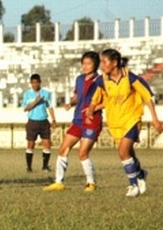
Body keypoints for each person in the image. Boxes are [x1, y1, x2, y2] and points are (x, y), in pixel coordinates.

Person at [86, 48, 163, 197]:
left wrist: (155, 119)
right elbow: (95, 99)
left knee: (122, 152)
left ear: (114, 63)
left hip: (132, 119)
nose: (101, 65)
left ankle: (133, 185)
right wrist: (90, 110)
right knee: (128, 153)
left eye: (104, 62)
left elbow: (147, 97)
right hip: (115, 122)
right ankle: (140, 173)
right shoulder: (102, 80)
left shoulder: (130, 78)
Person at [44, 51, 102, 192]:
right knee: (63, 148)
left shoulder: (100, 80)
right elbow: (77, 96)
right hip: (77, 120)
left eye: (88, 63)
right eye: (83, 63)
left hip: (92, 121)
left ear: (95, 65)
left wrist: (93, 109)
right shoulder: (79, 79)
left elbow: (109, 100)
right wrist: (71, 103)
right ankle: (59, 182)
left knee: (82, 153)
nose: (85, 66)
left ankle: (91, 183)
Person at [22, 73, 57, 172]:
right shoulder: (27, 94)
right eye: (33, 83)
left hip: (44, 121)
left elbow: (50, 107)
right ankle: (29, 167)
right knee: (30, 144)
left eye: (36, 82)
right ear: (31, 83)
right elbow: (25, 108)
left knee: (47, 144)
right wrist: (35, 102)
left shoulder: (46, 93)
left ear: (40, 82)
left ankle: (45, 166)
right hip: (32, 121)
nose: (35, 85)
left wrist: (53, 119)